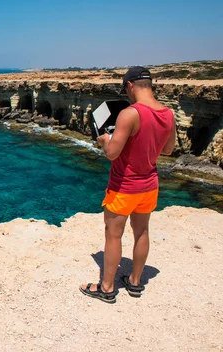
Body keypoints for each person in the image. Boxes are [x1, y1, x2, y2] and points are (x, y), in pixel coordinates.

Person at [80, 66, 176, 303]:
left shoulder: (130, 113)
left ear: (130, 85)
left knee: (113, 235)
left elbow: (112, 153)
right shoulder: (168, 113)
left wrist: (105, 140)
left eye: (126, 89)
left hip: (124, 186)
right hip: (150, 184)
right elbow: (168, 149)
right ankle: (134, 282)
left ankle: (107, 287)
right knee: (141, 231)